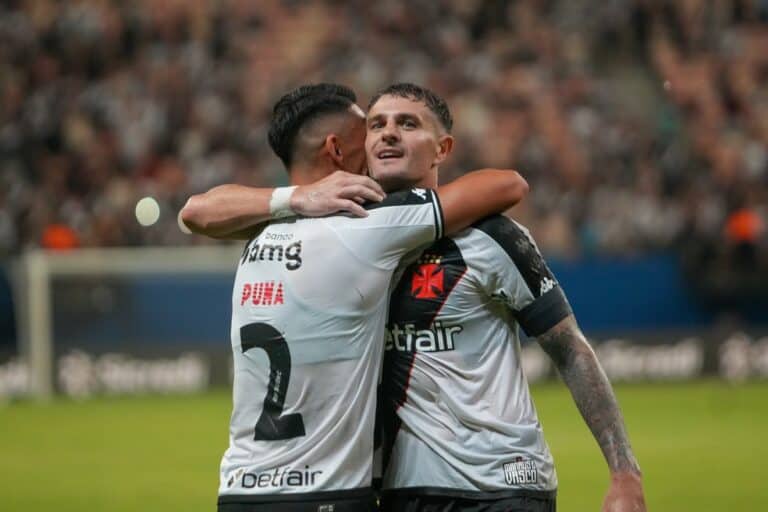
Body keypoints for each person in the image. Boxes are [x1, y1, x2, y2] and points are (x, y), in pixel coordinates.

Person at [180, 83, 530, 512]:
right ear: (336, 150)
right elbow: (507, 185)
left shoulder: (258, 230)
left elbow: (195, 210)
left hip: (241, 488)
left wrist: (295, 197)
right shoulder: (369, 225)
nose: (380, 141)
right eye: (368, 131)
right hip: (328, 491)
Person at [364, 83, 647, 512]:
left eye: (407, 123)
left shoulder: (490, 236)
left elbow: (569, 348)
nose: (388, 133)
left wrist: (624, 472)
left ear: (442, 149)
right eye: (376, 124)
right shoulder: (346, 244)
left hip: (501, 486)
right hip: (403, 492)